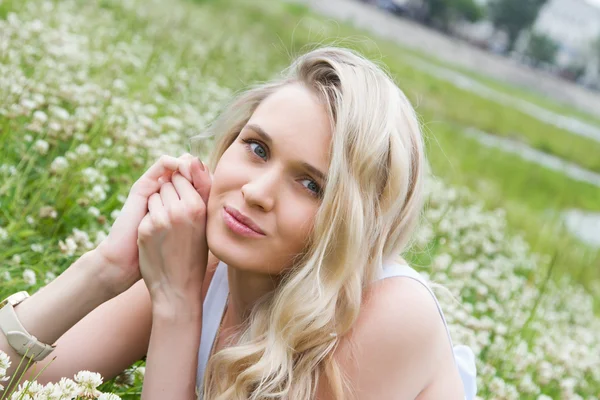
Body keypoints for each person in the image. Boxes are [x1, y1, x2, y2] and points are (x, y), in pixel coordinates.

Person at [0, 46, 476, 399]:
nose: (256, 192)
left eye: (311, 184)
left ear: (354, 223)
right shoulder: (202, 261)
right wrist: (103, 267)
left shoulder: (384, 317)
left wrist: (177, 309)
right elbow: (15, 383)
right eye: (258, 148)